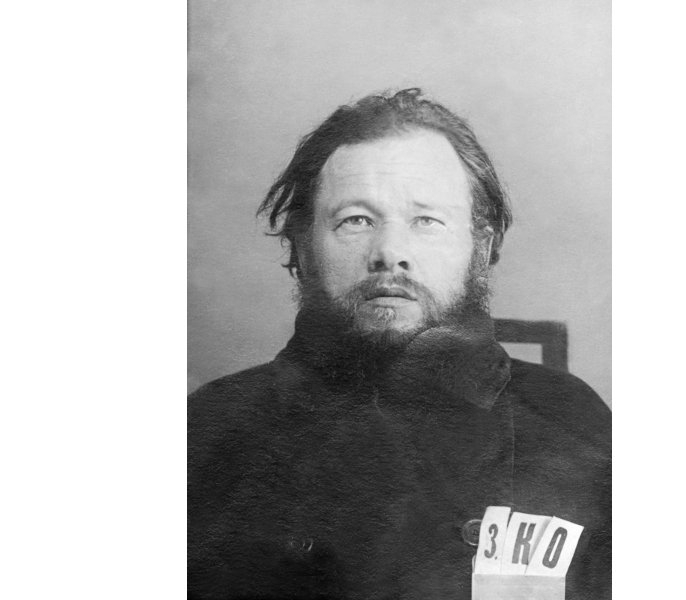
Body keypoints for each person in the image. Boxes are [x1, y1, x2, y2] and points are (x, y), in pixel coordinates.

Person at [188, 88, 611, 599]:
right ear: (303, 245)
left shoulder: (572, 420)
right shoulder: (209, 430)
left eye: (426, 220)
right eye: (355, 220)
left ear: (482, 245)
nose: (390, 252)